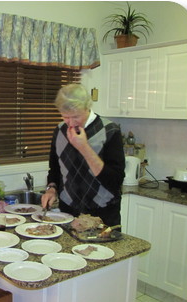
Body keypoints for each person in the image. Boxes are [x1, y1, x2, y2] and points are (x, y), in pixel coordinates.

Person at [41, 84, 125, 226]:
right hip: (68, 213)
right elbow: (55, 169)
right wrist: (51, 189)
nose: (71, 123)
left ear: (87, 107)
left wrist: (84, 147)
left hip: (103, 215)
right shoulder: (60, 130)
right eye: (66, 117)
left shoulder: (110, 131)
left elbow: (115, 181)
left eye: (76, 117)